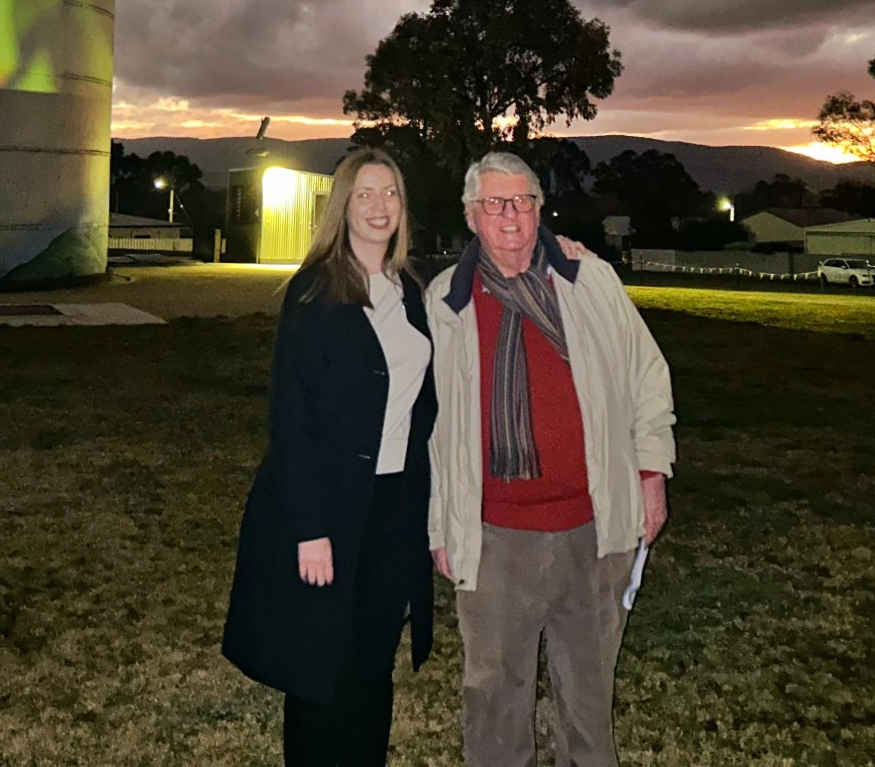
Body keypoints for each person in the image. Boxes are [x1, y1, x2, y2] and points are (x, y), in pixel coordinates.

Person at [427, 150, 676, 767]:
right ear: (471, 214)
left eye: (522, 201)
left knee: (589, 699)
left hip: (594, 530)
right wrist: (441, 525)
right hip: (494, 536)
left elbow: (646, 378)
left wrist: (650, 476)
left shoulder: (589, 282)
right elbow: (429, 428)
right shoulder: (443, 303)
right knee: (494, 699)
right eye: (494, 203)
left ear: (540, 210)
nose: (509, 214)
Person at [223, 149, 437, 766]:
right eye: (364, 194)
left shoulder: (411, 290)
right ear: (342, 206)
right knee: (322, 663)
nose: (379, 206)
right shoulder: (316, 293)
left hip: (393, 504)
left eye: (390, 193)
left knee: (372, 658)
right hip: (329, 508)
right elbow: (291, 420)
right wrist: (309, 528)